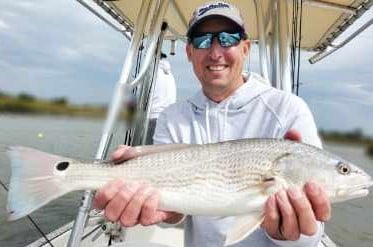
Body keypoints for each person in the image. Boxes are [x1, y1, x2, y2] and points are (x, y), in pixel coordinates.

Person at [94, 1, 331, 246]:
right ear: (189, 52)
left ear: (246, 48)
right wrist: (163, 212)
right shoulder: (172, 117)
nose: (216, 52)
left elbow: (310, 237)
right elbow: (173, 210)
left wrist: (287, 233)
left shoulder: (288, 109)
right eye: (203, 40)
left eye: (228, 39)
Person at [146, 53, 177, 144]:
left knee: (148, 155)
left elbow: (143, 98)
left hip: (153, 119)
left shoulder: (152, 72)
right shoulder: (169, 74)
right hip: (169, 120)